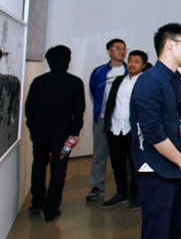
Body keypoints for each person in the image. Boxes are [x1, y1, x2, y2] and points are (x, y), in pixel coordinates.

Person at [130, 23, 181, 239]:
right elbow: (153, 132)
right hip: (156, 170)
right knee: (157, 232)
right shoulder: (149, 81)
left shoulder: (179, 81)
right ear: (169, 44)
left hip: (180, 168)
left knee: (177, 230)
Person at [25, 45, 85, 222]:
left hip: (40, 135)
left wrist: (33, 129)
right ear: (68, 60)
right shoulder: (75, 82)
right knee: (59, 170)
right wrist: (75, 132)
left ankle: (37, 202)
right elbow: (78, 111)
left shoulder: (38, 81)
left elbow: (29, 110)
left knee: (39, 165)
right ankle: (51, 209)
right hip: (64, 137)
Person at [101, 50, 148, 211]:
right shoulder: (119, 80)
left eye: (136, 61)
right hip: (115, 128)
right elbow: (110, 103)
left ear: (143, 65)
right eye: (130, 60)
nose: (132, 64)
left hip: (133, 130)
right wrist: (107, 124)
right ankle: (122, 193)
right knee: (117, 163)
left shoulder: (145, 82)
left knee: (135, 164)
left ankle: (136, 194)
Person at [86, 38, 128, 201]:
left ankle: (128, 187)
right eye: (117, 48)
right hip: (103, 119)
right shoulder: (99, 72)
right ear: (109, 52)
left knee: (125, 155)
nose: (122, 51)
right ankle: (97, 186)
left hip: (124, 120)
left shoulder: (129, 70)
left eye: (124, 48)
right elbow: (93, 93)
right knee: (100, 154)